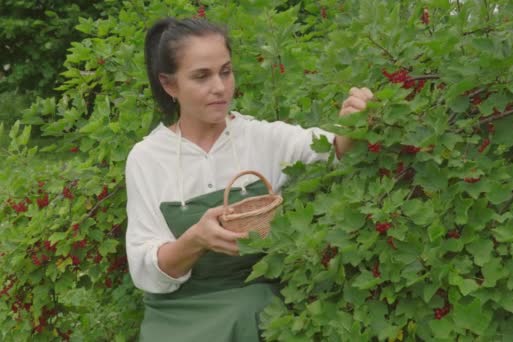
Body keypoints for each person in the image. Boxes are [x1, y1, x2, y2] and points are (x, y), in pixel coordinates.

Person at [125, 16, 373, 341]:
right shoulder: (147, 158)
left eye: (225, 72)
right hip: (177, 313)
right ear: (170, 85)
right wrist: (195, 239)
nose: (219, 87)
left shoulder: (259, 138)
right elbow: (145, 267)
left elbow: (334, 150)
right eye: (202, 76)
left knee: (253, 309)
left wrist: (353, 121)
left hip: (252, 303)